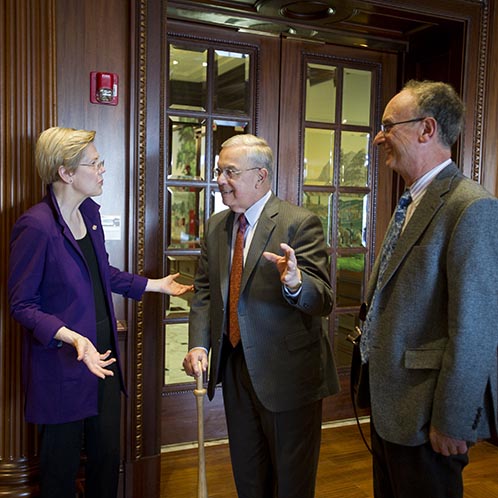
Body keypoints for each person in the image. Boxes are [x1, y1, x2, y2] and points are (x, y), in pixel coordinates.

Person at [8, 127, 192, 498]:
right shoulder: (36, 226)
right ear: (66, 173)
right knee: (60, 470)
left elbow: (101, 273)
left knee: (107, 458)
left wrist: (154, 285)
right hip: (63, 366)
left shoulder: (89, 213)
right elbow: (21, 304)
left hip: (103, 358)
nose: (103, 169)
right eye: (95, 163)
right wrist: (74, 338)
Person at [359, 80, 498, 498]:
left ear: (426, 129)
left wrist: (453, 420)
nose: (379, 136)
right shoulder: (410, 201)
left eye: (388, 124)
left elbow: (475, 329)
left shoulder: (471, 206)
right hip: (391, 409)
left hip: (427, 417)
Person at [182, 134, 339, 498]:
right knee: (249, 478)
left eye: (230, 172)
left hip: (290, 376)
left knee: (291, 483)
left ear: (261, 177)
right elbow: (204, 291)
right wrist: (198, 345)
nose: (220, 180)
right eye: (219, 170)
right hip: (237, 369)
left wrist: (297, 284)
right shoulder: (216, 226)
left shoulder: (299, 223)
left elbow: (325, 300)